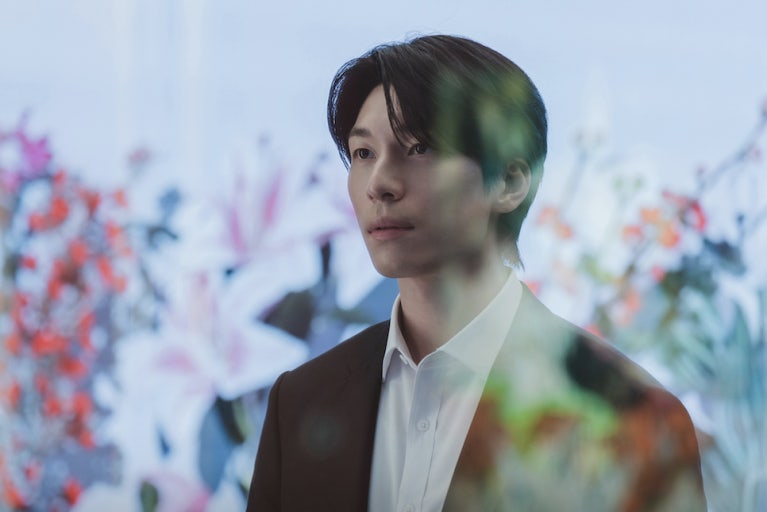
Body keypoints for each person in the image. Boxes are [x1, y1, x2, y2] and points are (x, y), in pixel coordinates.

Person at [247, 34, 706, 511]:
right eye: (364, 153)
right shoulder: (300, 401)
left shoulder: (632, 418)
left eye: (419, 147)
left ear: (509, 182)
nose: (379, 183)